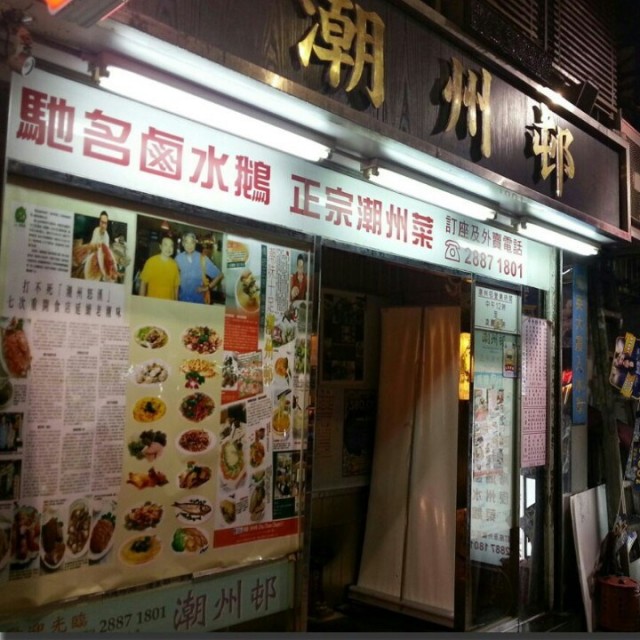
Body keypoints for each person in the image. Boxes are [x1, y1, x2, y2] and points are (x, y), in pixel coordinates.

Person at [175, 232, 224, 303]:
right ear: (183, 244)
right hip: (182, 299)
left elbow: (219, 275)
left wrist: (206, 288)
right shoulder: (178, 259)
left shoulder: (202, 259)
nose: (189, 245)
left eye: (192, 242)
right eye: (186, 242)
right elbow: (174, 279)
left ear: (195, 243)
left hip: (198, 300)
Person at [73, 210, 118, 281]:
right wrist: (90, 247)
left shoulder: (107, 236)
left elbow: (105, 253)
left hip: (100, 259)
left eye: (105, 223)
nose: (103, 225)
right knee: (79, 264)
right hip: (92, 254)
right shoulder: (96, 230)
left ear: (107, 225)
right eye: (102, 222)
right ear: (99, 222)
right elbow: (92, 244)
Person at [139, 236, 180, 300]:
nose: (168, 248)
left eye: (171, 246)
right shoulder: (151, 262)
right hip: (153, 301)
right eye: (165, 245)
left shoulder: (175, 264)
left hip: (169, 302)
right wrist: (141, 300)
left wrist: (176, 302)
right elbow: (143, 283)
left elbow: (176, 286)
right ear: (160, 246)